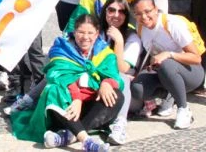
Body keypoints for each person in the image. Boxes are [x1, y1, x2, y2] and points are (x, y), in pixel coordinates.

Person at [11, 14, 123, 151]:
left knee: (116, 95)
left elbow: (114, 75)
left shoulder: (104, 52)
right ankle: (86, 141)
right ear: (74, 32)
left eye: (90, 33)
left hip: (90, 105)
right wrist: (76, 99)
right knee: (53, 89)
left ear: (97, 33)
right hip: (67, 106)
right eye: (81, 32)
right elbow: (58, 75)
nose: (85, 37)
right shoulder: (62, 48)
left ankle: (70, 135)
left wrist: (107, 83)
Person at [130, 0, 204, 129]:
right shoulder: (140, 27)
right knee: (137, 88)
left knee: (167, 63)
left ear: (156, 9)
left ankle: (184, 109)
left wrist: (169, 54)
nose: (144, 17)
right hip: (163, 73)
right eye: (139, 14)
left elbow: (196, 58)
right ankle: (171, 95)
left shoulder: (171, 24)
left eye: (148, 11)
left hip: (192, 72)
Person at [100, 0, 142, 145]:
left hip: (127, 92)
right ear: (104, 11)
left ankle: (120, 124)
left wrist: (118, 42)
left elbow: (122, 68)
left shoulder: (132, 38)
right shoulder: (97, 32)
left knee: (122, 77)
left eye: (121, 11)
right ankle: (30, 99)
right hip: (101, 82)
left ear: (127, 15)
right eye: (111, 10)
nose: (116, 15)